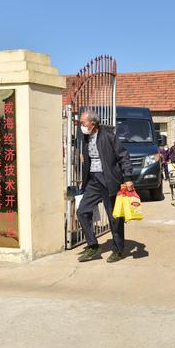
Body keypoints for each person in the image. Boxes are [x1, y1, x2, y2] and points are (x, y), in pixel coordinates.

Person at [76, 109, 134, 263]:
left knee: (114, 217)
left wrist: (127, 177)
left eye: (83, 123)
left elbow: (124, 156)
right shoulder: (85, 137)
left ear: (92, 124)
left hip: (109, 180)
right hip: (93, 181)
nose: (81, 125)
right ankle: (93, 246)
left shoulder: (108, 137)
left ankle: (118, 250)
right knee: (82, 211)